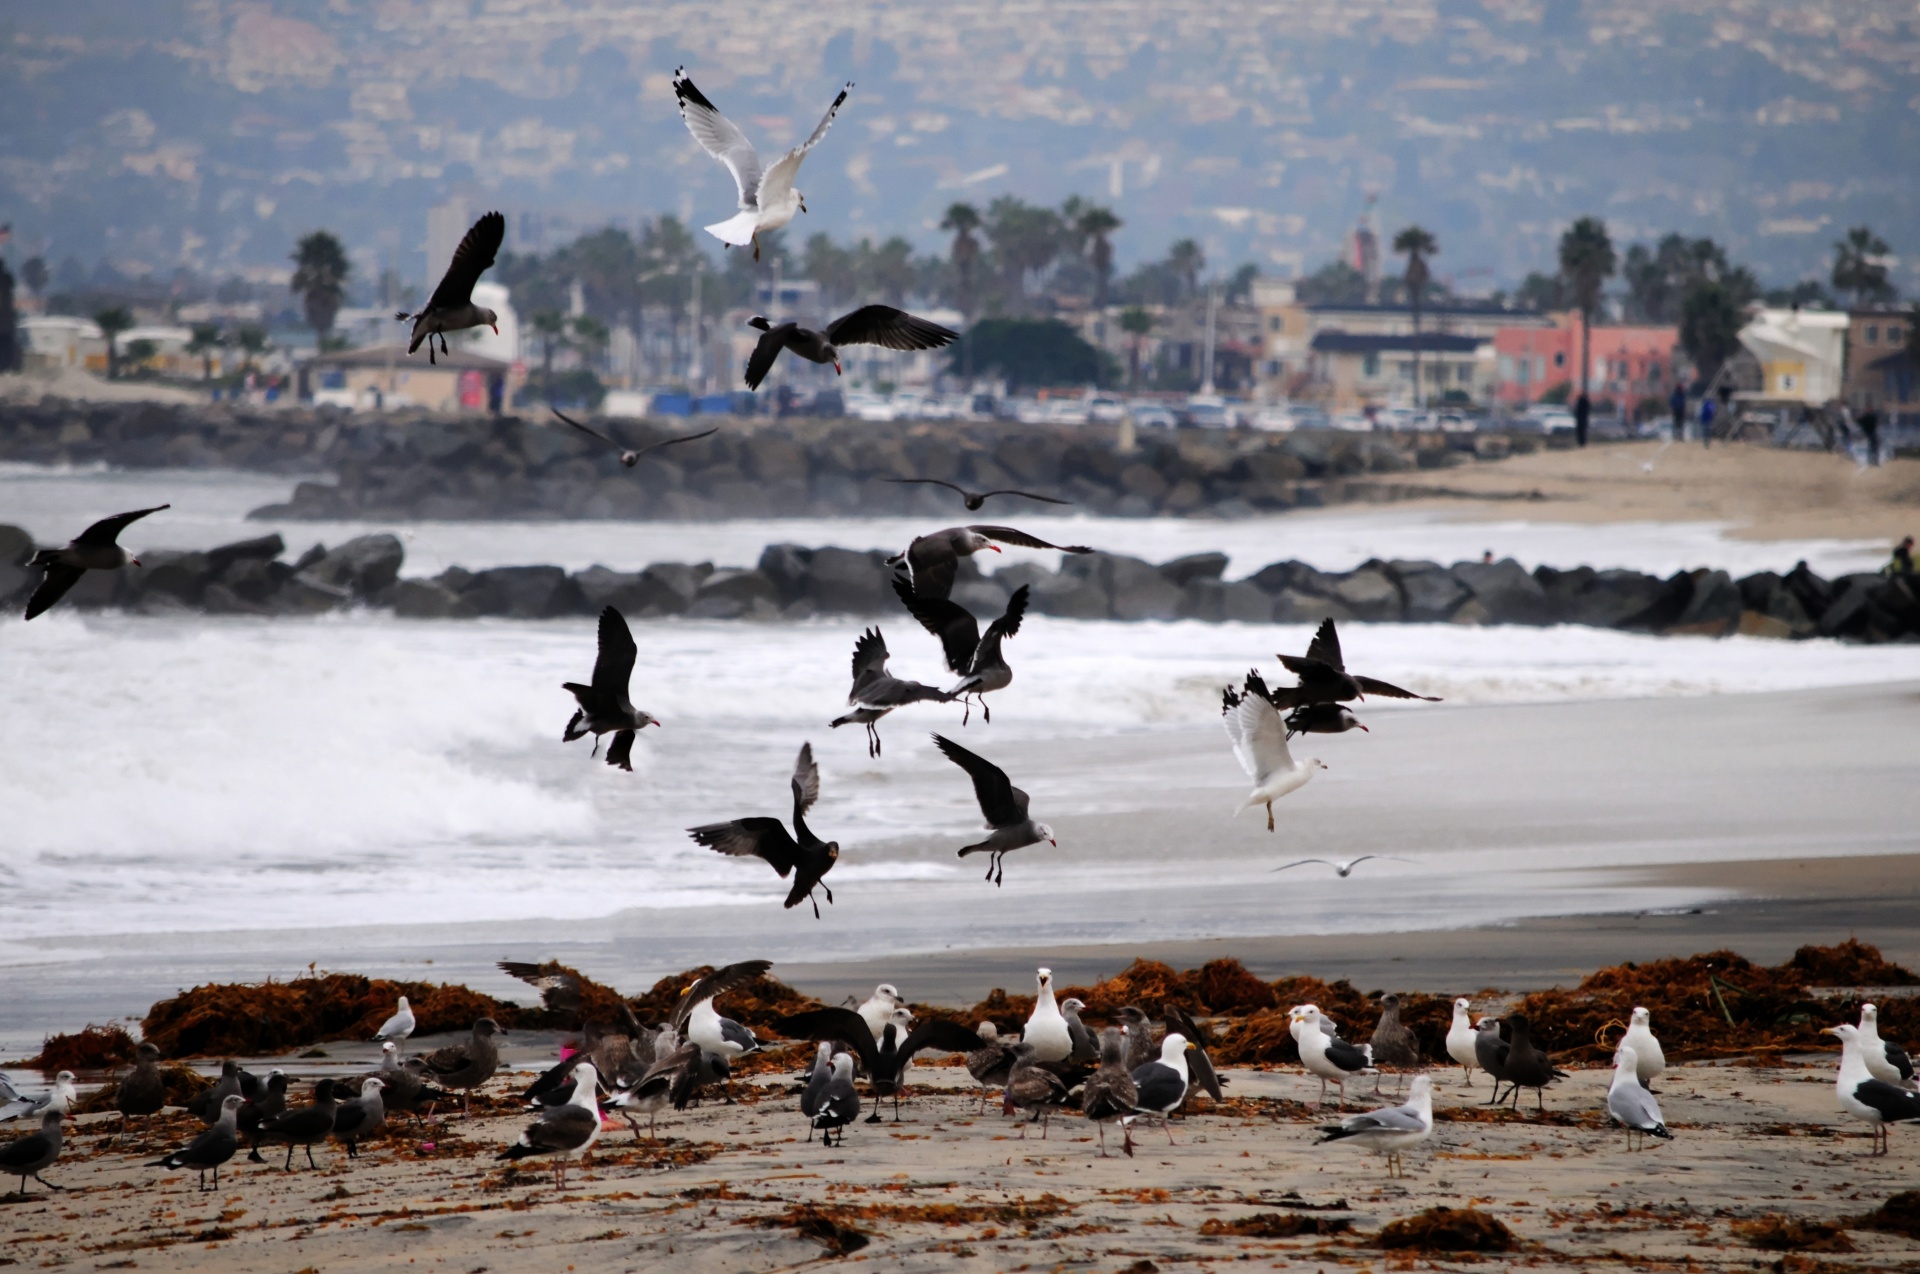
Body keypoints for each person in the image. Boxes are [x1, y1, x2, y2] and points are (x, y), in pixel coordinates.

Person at [1859, 403, 1882, 467]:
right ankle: (1871, 461)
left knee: (1874, 448)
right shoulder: (1865, 416)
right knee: (1871, 448)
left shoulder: (1871, 416)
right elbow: (1860, 422)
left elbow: (1876, 423)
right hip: (1869, 434)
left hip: (1872, 433)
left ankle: (1875, 461)